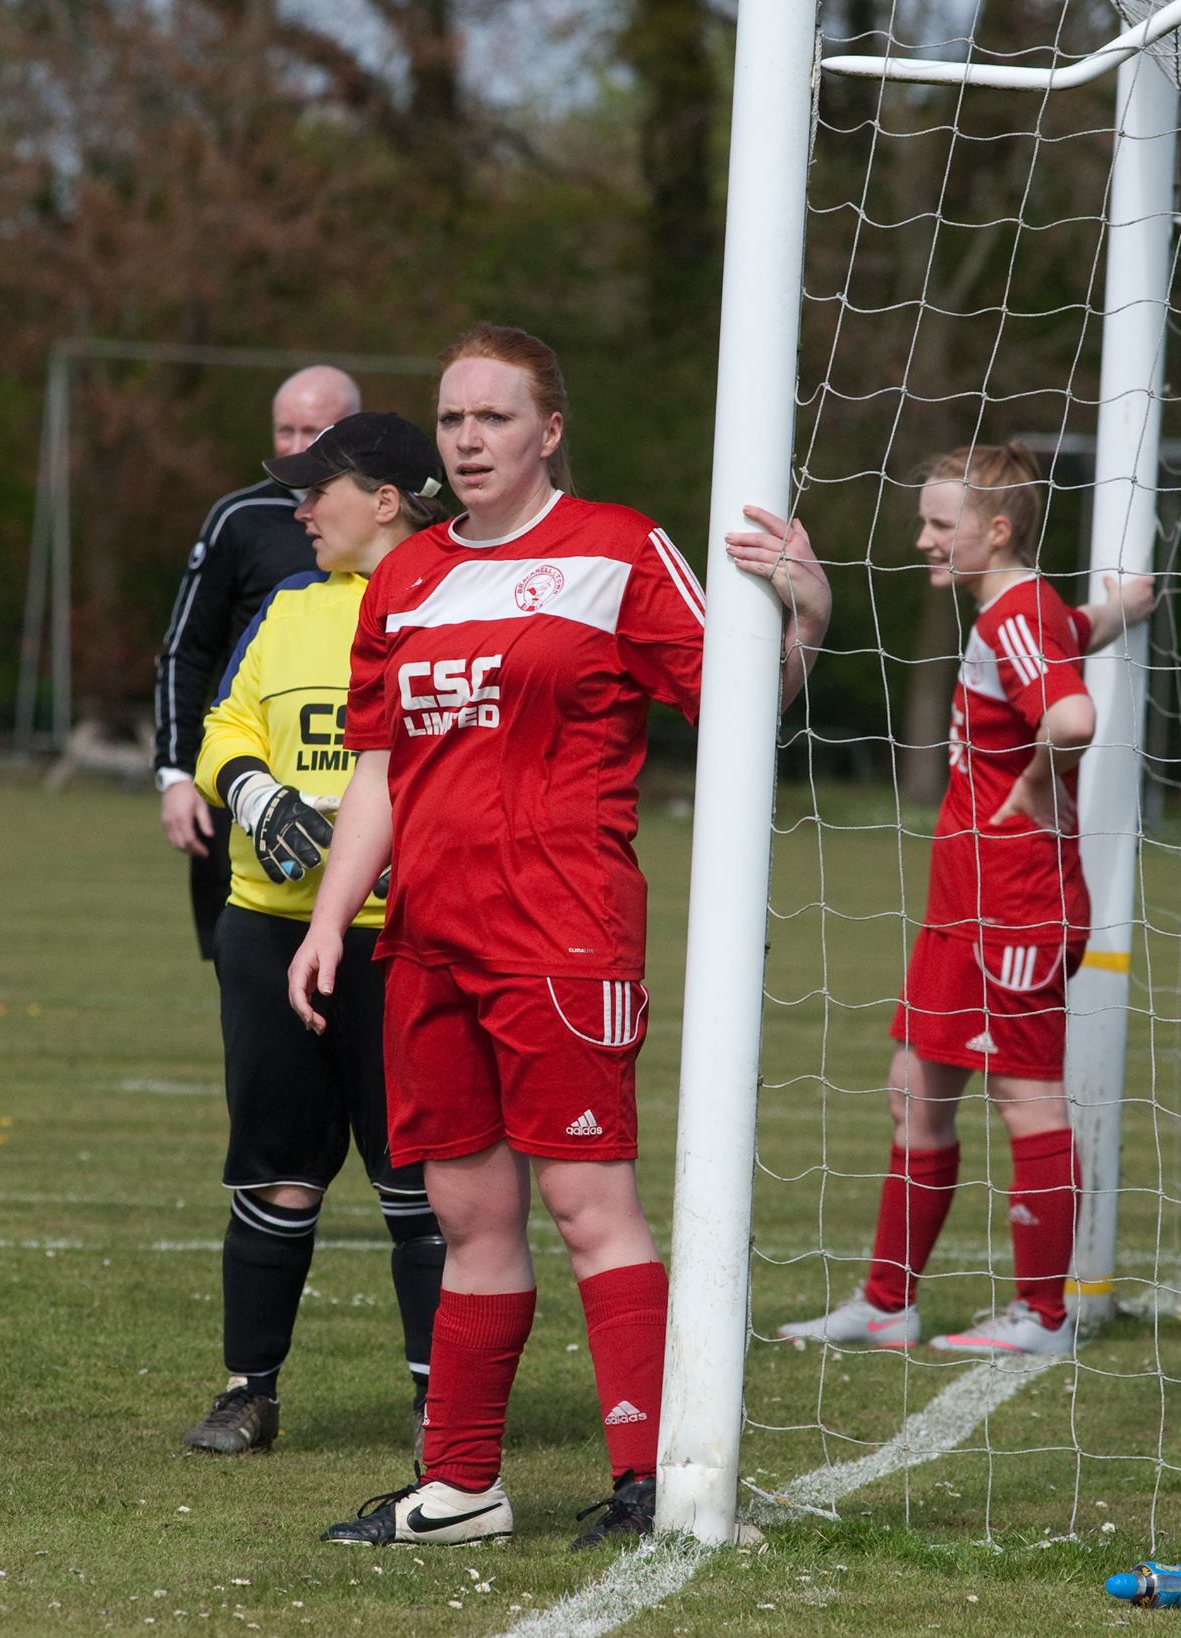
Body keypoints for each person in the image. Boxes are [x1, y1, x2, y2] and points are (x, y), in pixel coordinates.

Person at [284, 324, 832, 1548]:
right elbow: (378, 766)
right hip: (425, 941)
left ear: (548, 430)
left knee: (589, 1206)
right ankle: (462, 1486)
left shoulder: (617, 550)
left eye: (493, 418)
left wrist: (805, 616)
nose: (467, 440)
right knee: (468, 1220)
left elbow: (742, 703)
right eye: (451, 420)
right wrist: (330, 920)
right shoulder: (407, 574)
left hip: (561, 933)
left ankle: (647, 1479)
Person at [777, 441, 1156, 1356]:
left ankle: (1042, 1317)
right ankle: (886, 1304)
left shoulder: (1009, 619)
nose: (921, 540)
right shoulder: (1026, 610)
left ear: (996, 528)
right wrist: (1120, 609)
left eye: (939, 525)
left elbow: (1071, 717)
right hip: (966, 902)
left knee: (1027, 1099)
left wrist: (1035, 779)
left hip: (1017, 901)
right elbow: (1073, 632)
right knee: (914, 1093)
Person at [180, 412, 452, 1460]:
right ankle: (248, 1390)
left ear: (384, 499)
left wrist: (393, 850)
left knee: (417, 1179)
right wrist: (249, 791)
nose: (297, 508)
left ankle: (439, 1400)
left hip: (403, 936)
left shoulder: (448, 603)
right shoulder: (290, 604)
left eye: (316, 488)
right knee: (274, 1172)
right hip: (265, 929)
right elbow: (225, 724)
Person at [154, 365, 363, 961]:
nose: (297, 448)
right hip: (246, 775)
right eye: (285, 431)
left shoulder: (401, 529)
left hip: (357, 782)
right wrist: (175, 774)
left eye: (313, 431)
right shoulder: (238, 519)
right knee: (247, 966)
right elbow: (185, 650)